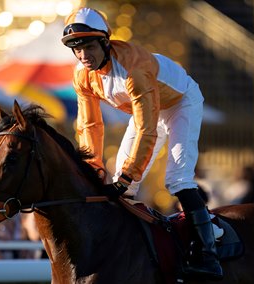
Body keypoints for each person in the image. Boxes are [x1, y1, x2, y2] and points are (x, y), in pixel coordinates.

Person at [61, 7, 222, 280]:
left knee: (177, 179)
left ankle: (208, 254)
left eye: (88, 46)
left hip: (180, 102)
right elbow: (89, 126)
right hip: (146, 110)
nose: (83, 56)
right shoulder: (82, 75)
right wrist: (93, 168)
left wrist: (128, 176)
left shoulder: (133, 69)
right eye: (76, 49)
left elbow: (149, 130)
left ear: (104, 42)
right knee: (123, 189)